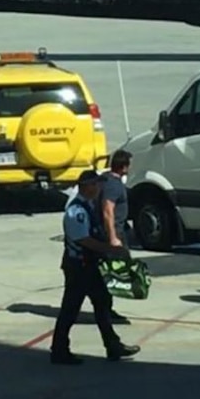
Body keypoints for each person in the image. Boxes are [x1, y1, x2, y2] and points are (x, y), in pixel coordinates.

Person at [50, 170, 140, 365]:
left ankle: (113, 346)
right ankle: (59, 350)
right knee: (70, 309)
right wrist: (110, 249)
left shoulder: (90, 206)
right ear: (87, 186)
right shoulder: (77, 211)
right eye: (96, 185)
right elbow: (83, 240)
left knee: (102, 305)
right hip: (79, 268)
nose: (99, 188)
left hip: (91, 266)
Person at [95, 149, 135, 324]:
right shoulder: (113, 185)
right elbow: (108, 209)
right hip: (114, 233)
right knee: (115, 272)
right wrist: (113, 237)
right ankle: (105, 309)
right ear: (124, 167)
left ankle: (105, 308)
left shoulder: (104, 181)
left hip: (115, 230)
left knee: (109, 272)